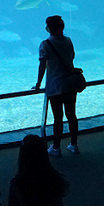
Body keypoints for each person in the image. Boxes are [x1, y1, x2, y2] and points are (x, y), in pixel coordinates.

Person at [34, 14, 80, 155]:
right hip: (70, 83)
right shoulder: (68, 40)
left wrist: (38, 83)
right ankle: (73, 144)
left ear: (48, 28)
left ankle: (56, 147)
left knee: (58, 117)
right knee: (72, 115)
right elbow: (72, 57)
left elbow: (42, 65)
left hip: (55, 85)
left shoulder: (45, 44)